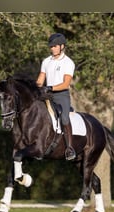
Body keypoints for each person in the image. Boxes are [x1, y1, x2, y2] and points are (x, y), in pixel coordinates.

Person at [36, 33, 76, 161]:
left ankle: (70, 148)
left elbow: (66, 84)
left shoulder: (68, 63)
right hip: (47, 94)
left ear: (62, 46)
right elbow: (40, 80)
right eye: (51, 46)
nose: (52, 48)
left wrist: (51, 87)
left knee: (64, 118)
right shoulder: (46, 61)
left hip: (61, 95)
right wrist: (35, 88)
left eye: (54, 46)